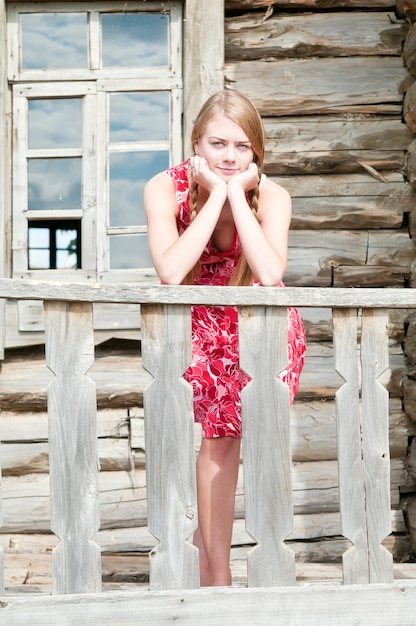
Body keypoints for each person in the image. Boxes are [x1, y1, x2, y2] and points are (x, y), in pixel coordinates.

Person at [144, 89, 306, 587]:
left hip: (259, 326)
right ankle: (218, 570)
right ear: (197, 143)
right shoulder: (163, 188)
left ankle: (211, 548)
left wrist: (237, 194)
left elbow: (270, 270)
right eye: (218, 144)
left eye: (242, 146)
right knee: (219, 442)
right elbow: (172, 271)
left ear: (256, 151)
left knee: (240, 442)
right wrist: (216, 196)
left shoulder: (272, 196)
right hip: (200, 327)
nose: (230, 156)